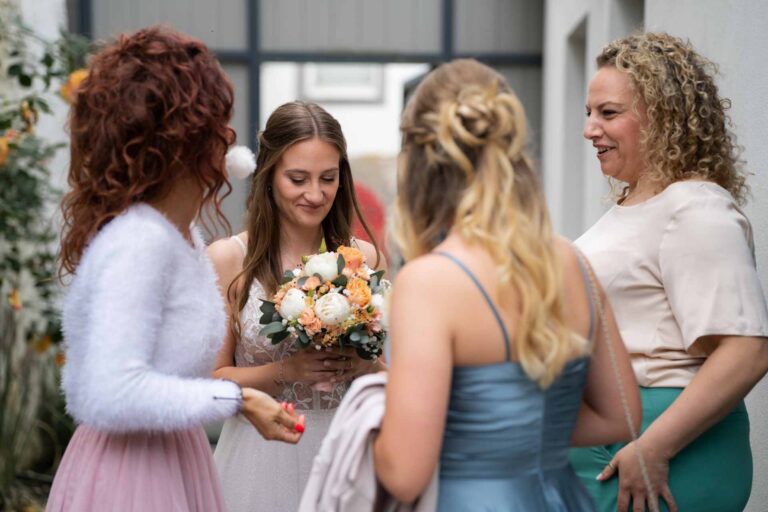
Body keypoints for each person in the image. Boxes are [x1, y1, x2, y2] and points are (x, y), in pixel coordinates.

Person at [46, 27, 303, 512]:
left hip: (173, 459)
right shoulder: (140, 242)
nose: (228, 135)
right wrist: (239, 401)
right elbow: (108, 390)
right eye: (216, 122)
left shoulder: (182, 237)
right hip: (131, 476)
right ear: (185, 138)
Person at [373, 58, 641, 511]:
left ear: (420, 159)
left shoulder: (429, 281)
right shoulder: (571, 261)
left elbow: (404, 473)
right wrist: (522, 435)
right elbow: (621, 413)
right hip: (560, 497)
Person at [572, 32, 768, 512]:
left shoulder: (694, 209)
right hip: (615, 442)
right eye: (589, 113)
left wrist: (653, 447)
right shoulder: (640, 205)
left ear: (662, 116)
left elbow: (746, 350)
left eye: (608, 113)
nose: (590, 129)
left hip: (660, 453)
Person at [209, 100, 387, 511]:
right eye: (297, 179)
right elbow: (209, 383)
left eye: (328, 178)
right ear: (269, 175)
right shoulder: (229, 259)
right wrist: (284, 372)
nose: (315, 193)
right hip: (258, 460)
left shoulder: (364, 259)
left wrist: (365, 367)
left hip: (347, 459)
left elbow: (389, 376)